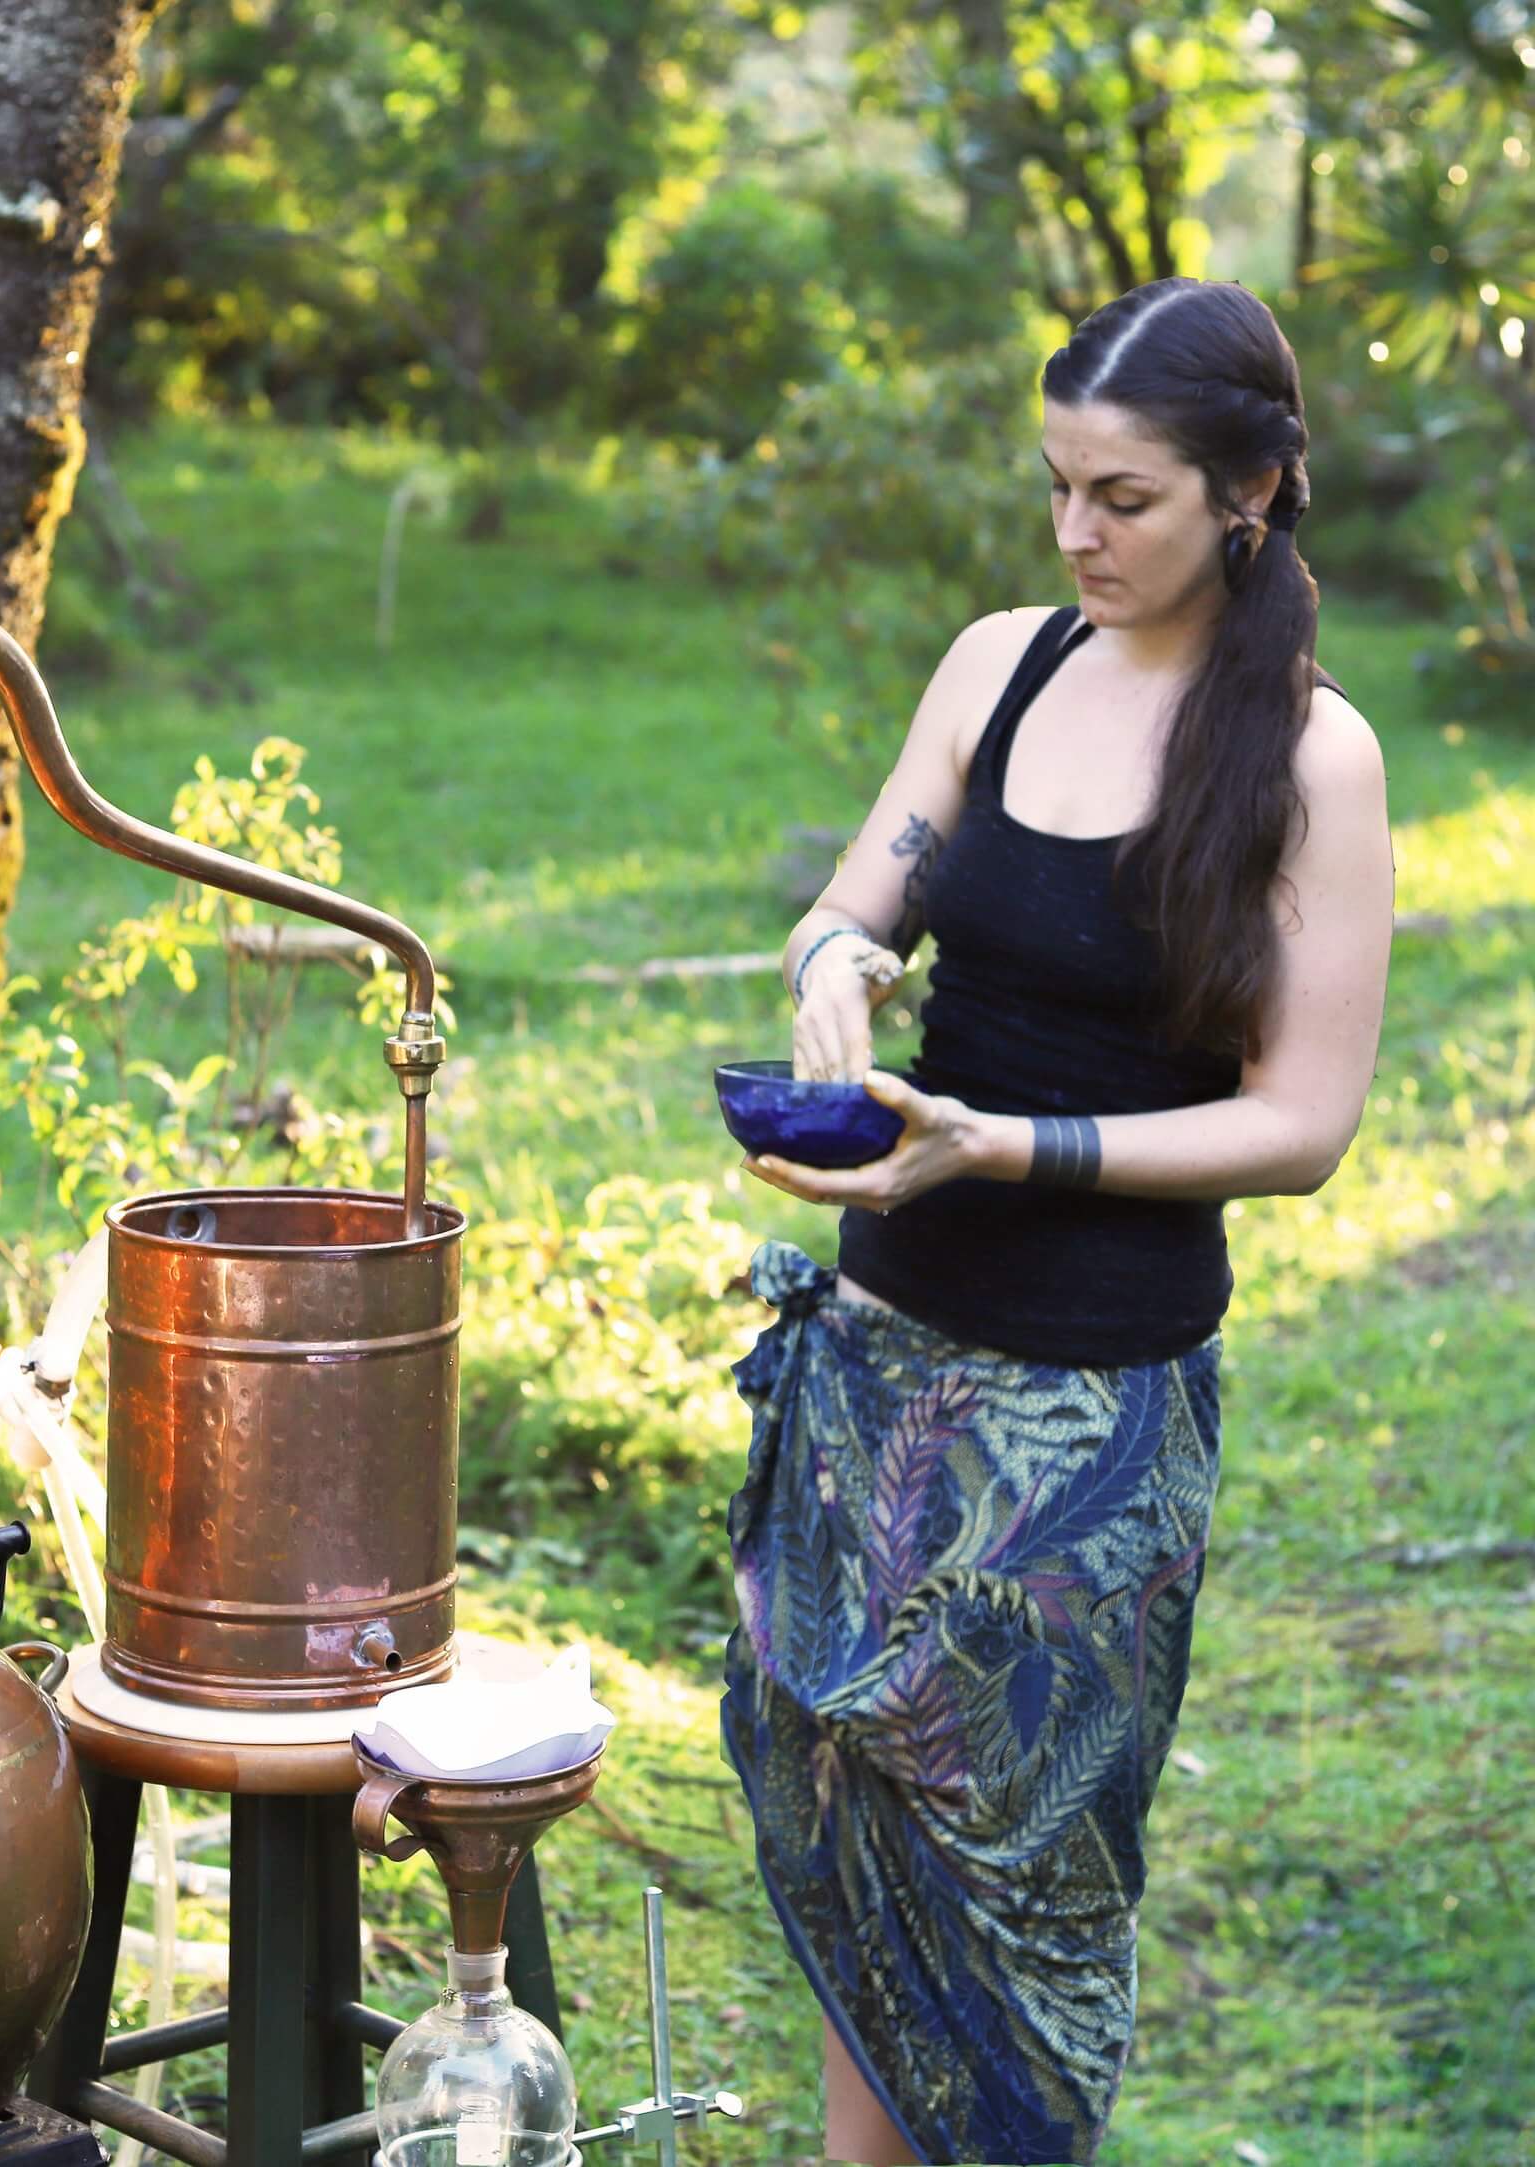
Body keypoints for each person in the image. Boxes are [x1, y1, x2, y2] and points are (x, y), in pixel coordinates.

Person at [719, 277, 1393, 2166]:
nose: (1078, 536)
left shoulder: (1309, 763)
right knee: (859, 1847)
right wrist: (838, 979)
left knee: (1022, 1899)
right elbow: (855, 903)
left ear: (1248, 492)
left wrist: (1005, 1146)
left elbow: (1303, 1124)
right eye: (1059, 489)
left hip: (1088, 1424)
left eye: (1127, 499)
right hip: (875, 1370)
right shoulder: (997, 663)